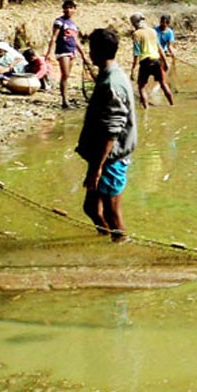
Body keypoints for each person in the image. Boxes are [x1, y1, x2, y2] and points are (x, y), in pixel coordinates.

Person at [75, 28, 137, 243]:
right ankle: (106, 239)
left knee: (112, 213)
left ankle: (121, 247)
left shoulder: (112, 83)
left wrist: (96, 168)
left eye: (90, 49)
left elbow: (112, 131)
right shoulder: (110, 74)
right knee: (91, 208)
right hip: (103, 156)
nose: (88, 52)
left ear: (97, 52)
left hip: (110, 159)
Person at [44, 0, 90, 109]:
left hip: (72, 51)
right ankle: (64, 100)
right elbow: (54, 37)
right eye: (66, 8)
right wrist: (49, 53)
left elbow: (76, 41)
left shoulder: (73, 24)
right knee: (64, 75)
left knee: (67, 75)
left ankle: (66, 97)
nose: (68, 10)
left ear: (74, 9)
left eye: (71, 8)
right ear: (63, 9)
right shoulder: (59, 21)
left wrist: (83, 54)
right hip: (62, 51)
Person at [129, 12, 173, 109]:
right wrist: (165, 62)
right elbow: (160, 49)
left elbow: (136, 53)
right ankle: (172, 105)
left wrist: (132, 70)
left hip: (145, 62)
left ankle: (146, 109)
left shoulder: (136, 34)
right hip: (156, 61)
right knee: (163, 83)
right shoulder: (153, 31)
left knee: (141, 87)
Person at [155, 14, 179, 92]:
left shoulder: (169, 32)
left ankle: (162, 83)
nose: (162, 24)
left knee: (164, 68)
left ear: (167, 24)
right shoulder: (155, 30)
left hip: (164, 52)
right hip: (155, 51)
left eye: (164, 23)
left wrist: (172, 54)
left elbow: (169, 46)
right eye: (161, 22)